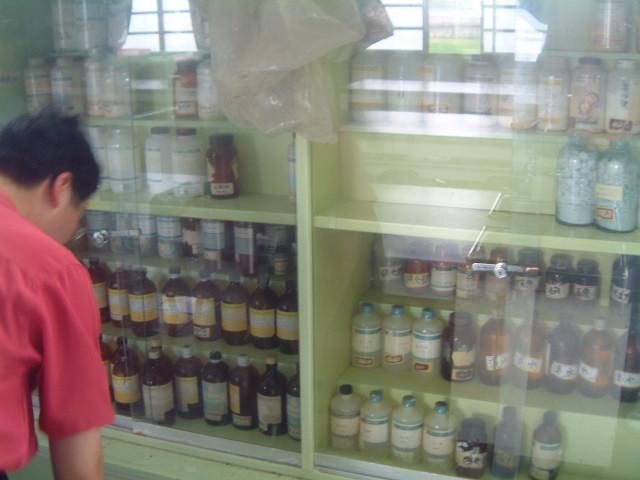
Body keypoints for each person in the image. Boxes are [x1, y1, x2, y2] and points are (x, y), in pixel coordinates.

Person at [0, 113, 114, 479]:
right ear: (62, 187)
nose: (70, 233)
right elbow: (78, 455)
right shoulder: (52, 269)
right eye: (78, 218)